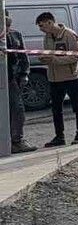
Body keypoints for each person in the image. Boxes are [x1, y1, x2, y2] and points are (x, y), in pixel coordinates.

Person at [36, 11, 78, 146]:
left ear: (50, 22)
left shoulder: (68, 34)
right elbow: (50, 53)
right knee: (56, 108)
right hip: (54, 77)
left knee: (77, 106)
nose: (41, 29)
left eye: (42, 26)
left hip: (71, 76)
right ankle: (59, 136)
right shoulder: (47, 36)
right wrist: (45, 58)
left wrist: (56, 60)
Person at [5, 10, 36, 154]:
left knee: (17, 109)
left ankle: (16, 140)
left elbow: (23, 57)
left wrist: (24, 74)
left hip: (12, 79)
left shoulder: (15, 35)